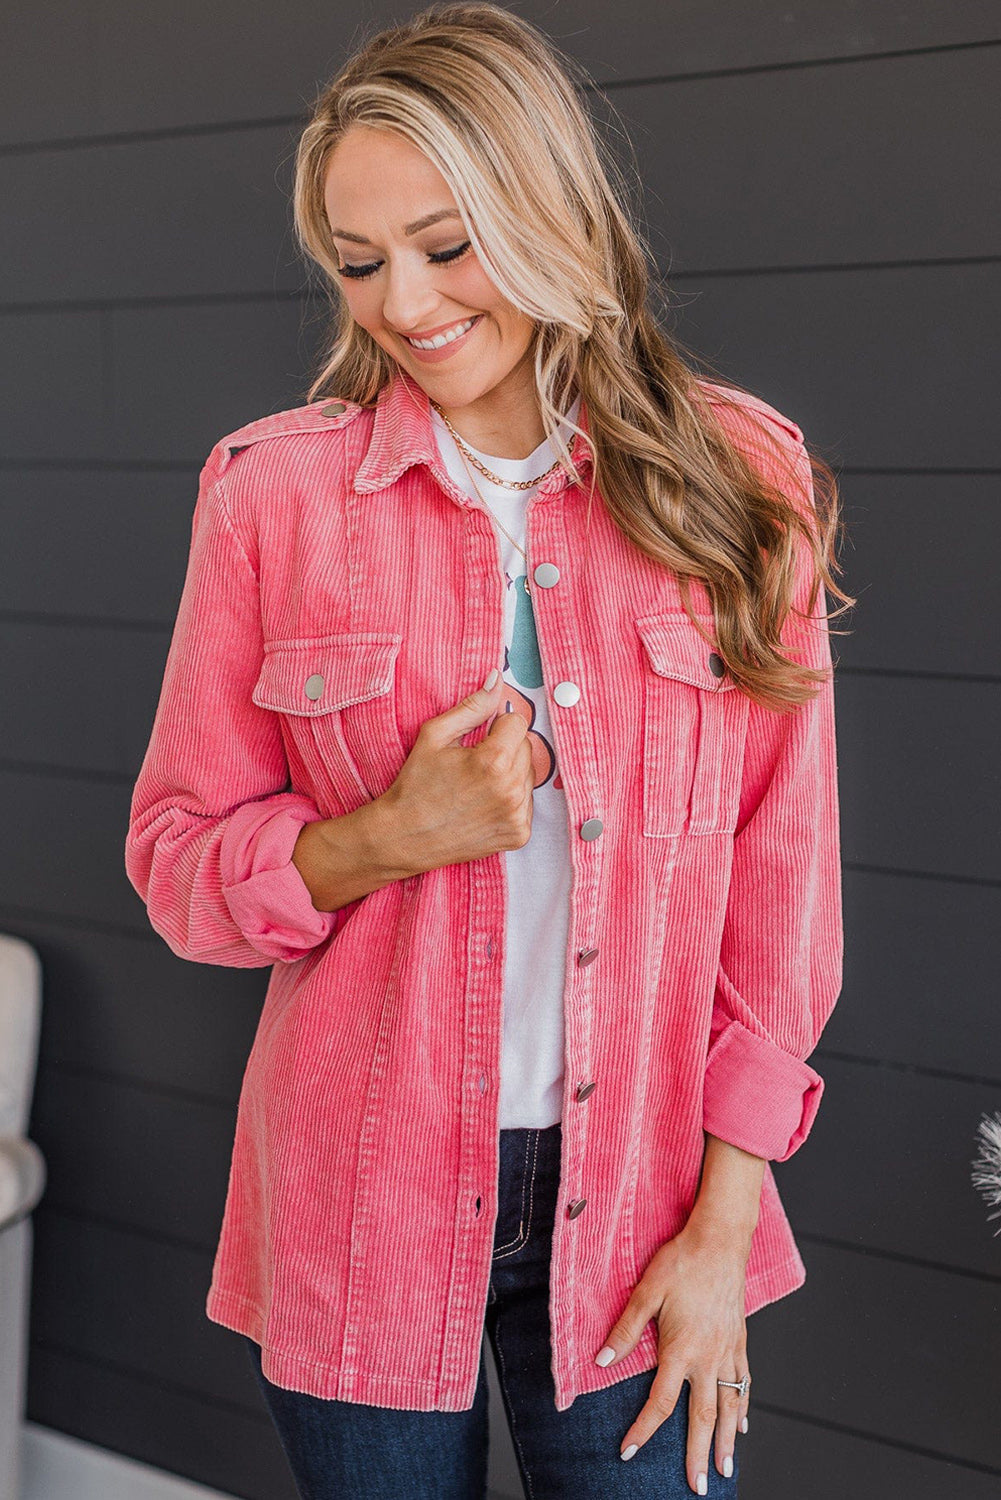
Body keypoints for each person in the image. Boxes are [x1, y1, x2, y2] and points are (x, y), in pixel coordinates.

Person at [124, 4, 852, 1496]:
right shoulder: (273, 497)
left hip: (646, 1209)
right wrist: (388, 834)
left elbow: (782, 891)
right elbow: (179, 868)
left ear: (543, 212)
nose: (402, 302)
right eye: (358, 261)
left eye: (445, 245)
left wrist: (722, 1230)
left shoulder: (742, 477)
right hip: (359, 1209)